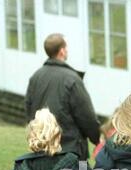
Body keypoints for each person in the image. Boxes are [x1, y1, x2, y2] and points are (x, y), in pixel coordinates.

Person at [25, 33, 101, 161]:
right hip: (69, 151)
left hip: (42, 149)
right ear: (62, 51)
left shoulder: (36, 77)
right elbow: (86, 116)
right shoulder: (72, 79)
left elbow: (29, 110)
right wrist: (97, 138)